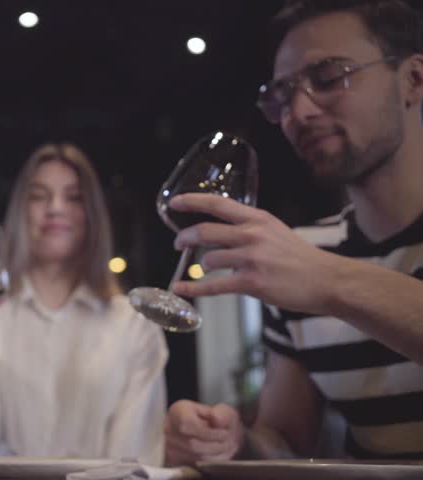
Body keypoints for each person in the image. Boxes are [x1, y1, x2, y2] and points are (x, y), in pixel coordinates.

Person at [163, 0, 423, 464]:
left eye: (327, 78)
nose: (297, 112)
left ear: (413, 80)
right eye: (282, 95)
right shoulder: (308, 252)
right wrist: (233, 442)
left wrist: (328, 281)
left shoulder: (309, 266)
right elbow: (286, 441)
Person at [0, 143, 168, 463]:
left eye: (73, 197)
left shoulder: (134, 326)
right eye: (39, 196)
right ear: (20, 211)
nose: (55, 207)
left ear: (92, 214)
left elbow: (136, 458)